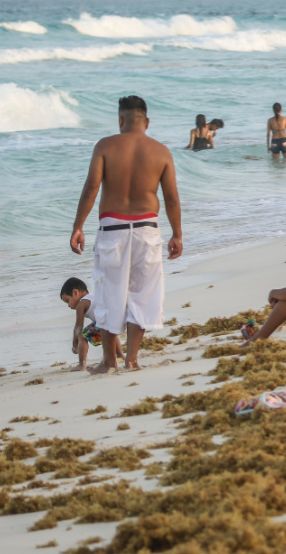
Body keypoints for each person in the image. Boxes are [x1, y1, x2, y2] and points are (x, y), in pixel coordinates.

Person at [70, 95, 182, 373]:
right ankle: (131, 360)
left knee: (110, 296)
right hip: (147, 230)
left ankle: (109, 361)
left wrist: (78, 226)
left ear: (120, 120)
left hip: (113, 231)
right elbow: (171, 199)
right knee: (142, 296)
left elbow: (91, 187)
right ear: (147, 121)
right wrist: (177, 234)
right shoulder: (161, 151)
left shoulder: (106, 146)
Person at [60, 277, 123, 372]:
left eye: (68, 301)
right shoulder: (93, 296)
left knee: (82, 336)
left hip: (105, 321)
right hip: (116, 319)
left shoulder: (81, 304)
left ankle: (82, 363)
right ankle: (120, 355)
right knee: (111, 334)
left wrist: (75, 342)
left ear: (75, 293)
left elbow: (79, 326)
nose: (68, 305)